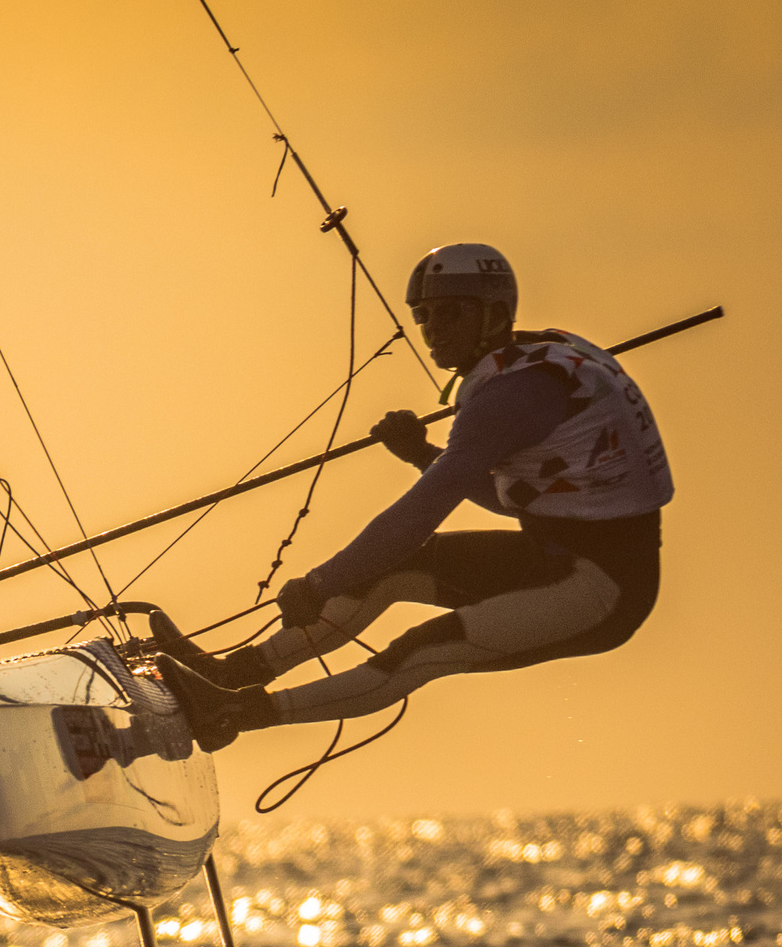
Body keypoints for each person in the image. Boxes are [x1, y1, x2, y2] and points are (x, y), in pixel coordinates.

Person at [157, 243, 673, 750]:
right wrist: (421, 452)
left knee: (423, 649)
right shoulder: (538, 360)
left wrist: (320, 582)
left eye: (450, 313)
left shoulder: (512, 393)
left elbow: (419, 514)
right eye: (423, 315)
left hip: (604, 592)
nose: (434, 329)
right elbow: (507, 499)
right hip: (553, 558)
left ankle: (232, 712)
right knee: (392, 569)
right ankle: (228, 675)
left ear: (495, 315)